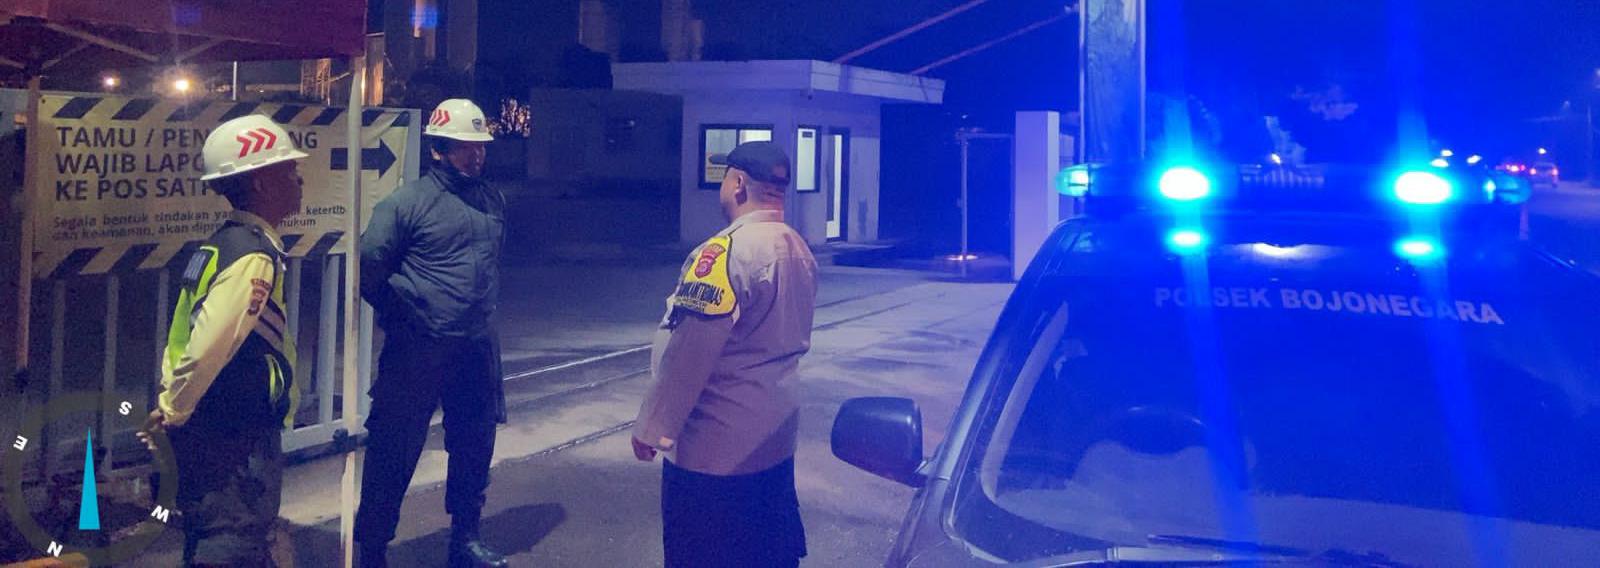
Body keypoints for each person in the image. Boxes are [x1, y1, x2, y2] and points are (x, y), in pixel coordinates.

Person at [632, 141, 819, 568]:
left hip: (714, 456)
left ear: (737, 184)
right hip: (774, 441)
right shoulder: (797, 248)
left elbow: (689, 355)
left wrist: (653, 427)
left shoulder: (725, 253)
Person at [142, 114, 306, 567]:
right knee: (230, 540)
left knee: (223, 535)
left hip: (209, 421)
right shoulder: (253, 256)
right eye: (288, 170)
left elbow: (184, 334)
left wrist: (172, 406)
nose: (299, 180)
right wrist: (174, 410)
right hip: (233, 431)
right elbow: (212, 343)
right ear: (260, 184)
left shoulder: (222, 244)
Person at [355, 99, 509, 568]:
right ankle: (373, 548)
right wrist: (402, 314)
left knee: (474, 445)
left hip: (475, 347)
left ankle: (465, 539)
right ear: (439, 148)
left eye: (480, 146)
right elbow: (370, 267)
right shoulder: (405, 204)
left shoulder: (491, 200)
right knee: (394, 449)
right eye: (465, 146)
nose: (476, 155)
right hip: (417, 350)